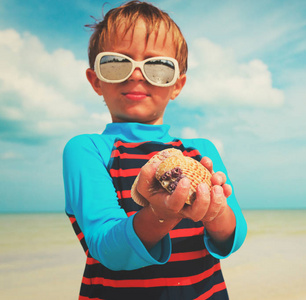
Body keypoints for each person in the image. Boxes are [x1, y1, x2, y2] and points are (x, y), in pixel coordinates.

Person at [62, 1, 247, 299]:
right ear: (96, 79)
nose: (136, 75)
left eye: (158, 66)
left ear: (177, 84)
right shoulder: (87, 150)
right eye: (116, 63)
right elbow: (108, 250)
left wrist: (214, 213)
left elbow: (232, 237)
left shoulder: (201, 151)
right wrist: (161, 214)